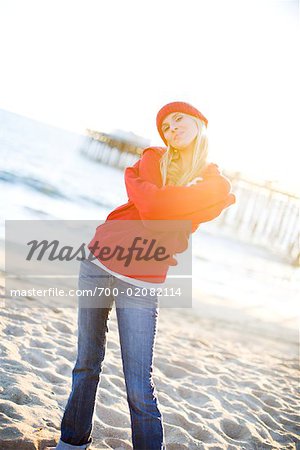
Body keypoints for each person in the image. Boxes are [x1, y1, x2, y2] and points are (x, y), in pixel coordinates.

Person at [47, 101, 235, 450]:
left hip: (144, 277)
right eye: (166, 125)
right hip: (98, 262)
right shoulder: (152, 158)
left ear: (199, 124)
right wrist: (187, 203)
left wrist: (166, 201)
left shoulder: (215, 180)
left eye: (179, 120)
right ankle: (72, 442)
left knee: (138, 383)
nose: (171, 128)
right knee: (86, 363)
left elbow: (191, 203)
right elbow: (152, 212)